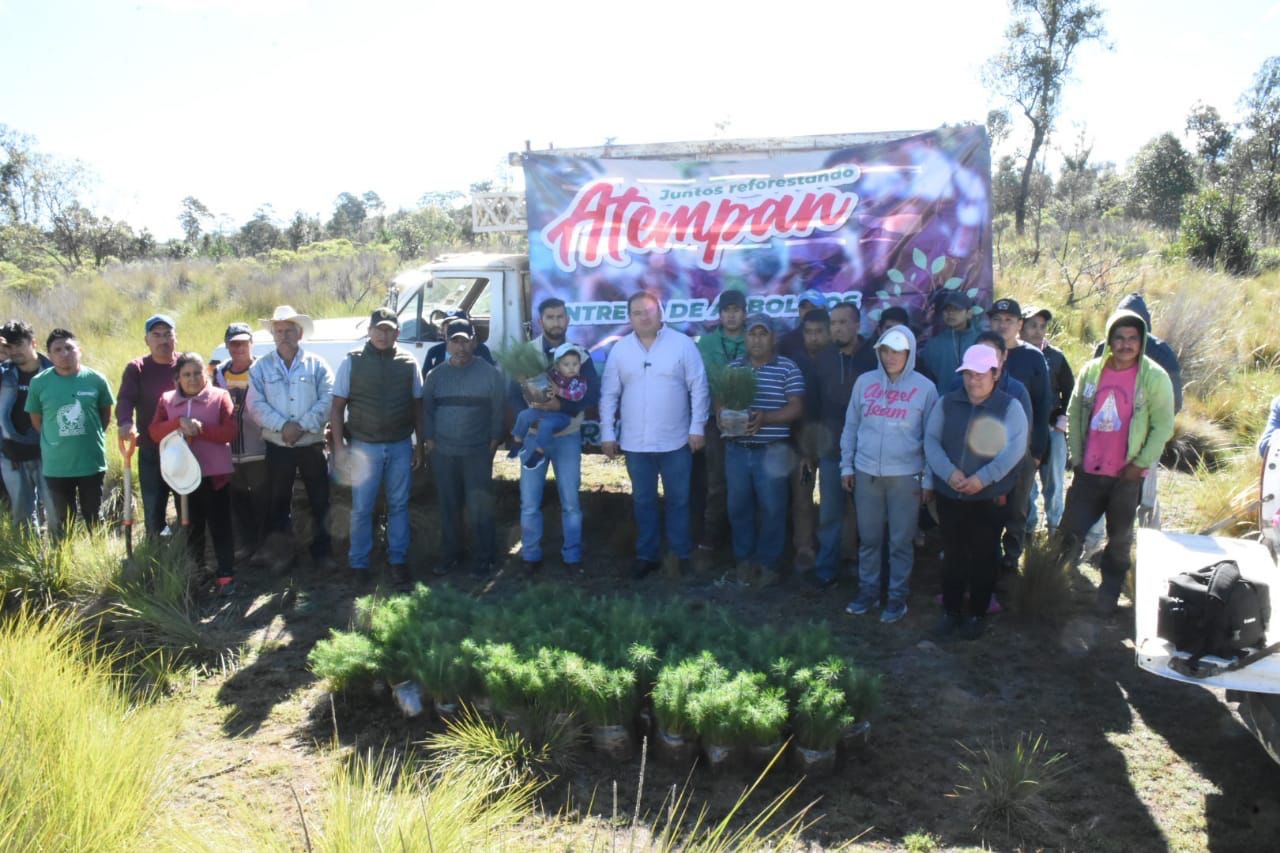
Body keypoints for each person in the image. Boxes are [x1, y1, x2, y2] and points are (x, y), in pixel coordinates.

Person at [1060, 308, 1175, 616]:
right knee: (1069, 531)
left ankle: (1108, 596)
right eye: (1119, 337)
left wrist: (1140, 464)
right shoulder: (1092, 371)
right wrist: (1077, 456)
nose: (1125, 344)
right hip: (1089, 471)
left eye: (1132, 339)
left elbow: (1163, 425)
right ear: (1109, 339)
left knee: (1120, 538)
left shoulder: (1154, 377)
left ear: (1142, 342)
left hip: (1126, 475)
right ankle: (1053, 585)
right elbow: (1074, 413)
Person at [600, 291, 709, 579]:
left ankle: (681, 554)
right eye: (637, 312)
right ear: (630, 318)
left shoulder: (682, 345)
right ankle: (647, 556)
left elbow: (699, 387)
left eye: (649, 310)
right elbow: (609, 394)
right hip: (635, 443)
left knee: (679, 500)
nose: (644, 317)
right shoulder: (621, 350)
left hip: (676, 442)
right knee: (643, 501)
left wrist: (697, 428)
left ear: (660, 312)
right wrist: (608, 433)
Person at [925, 345, 1028, 641]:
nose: (973, 380)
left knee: (984, 556)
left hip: (988, 498)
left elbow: (1014, 450)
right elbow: (932, 441)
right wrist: (949, 473)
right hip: (951, 494)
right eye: (968, 374)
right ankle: (951, 612)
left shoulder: (1010, 407)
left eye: (980, 374)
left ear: (995, 374)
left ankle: (977, 614)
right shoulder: (948, 402)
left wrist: (983, 479)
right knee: (953, 555)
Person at [841, 326, 937, 623]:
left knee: (900, 541)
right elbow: (851, 427)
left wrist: (929, 478)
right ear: (878, 352)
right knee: (869, 539)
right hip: (867, 472)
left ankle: (897, 597)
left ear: (909, 354)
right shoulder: (864, 383)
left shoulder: (925, 388)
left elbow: (932, 438)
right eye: (886, 350)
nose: (891, 357)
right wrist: (847, 465)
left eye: (898, 351)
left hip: (906, 476)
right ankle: (867, 592)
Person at [331, 307, 424, 586]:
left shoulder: (409, 363)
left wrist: (419, 446)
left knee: (399, 505)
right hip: (364, 447)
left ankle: (398, 560)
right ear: (369, 331)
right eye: (378, 329)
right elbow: (336, 409)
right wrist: (339, 448)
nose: (382, 335)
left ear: (397, 332)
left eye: (388, 330)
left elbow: (418, 407)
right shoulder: (352, 362)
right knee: (361, 508)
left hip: (399, 445)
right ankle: (358, 563)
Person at [515, 297, 599, 574]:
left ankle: (572, 557)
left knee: (571, 502)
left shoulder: (580, 355)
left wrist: (561, 406)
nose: (555, 322)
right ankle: (530, 556)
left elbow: (592, 395)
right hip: (533, 436)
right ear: (541, 322)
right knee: (529, 502)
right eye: (549, 317)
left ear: (568, 320)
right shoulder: (525, 353)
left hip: (567, 436)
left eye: (560, 317)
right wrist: (530, 421)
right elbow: (510, 394)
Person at [248, 305, 335, 570]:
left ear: (299, 333)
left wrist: (302, 426)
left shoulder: (317, 364)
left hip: (311, 444)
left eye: (288, 330)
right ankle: (282, 555)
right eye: (279, 331)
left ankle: (323, 554)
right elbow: (255, 405)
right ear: (273, 334)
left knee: (320, 499)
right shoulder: (260, 368)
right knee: (278, 500)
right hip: (278, 445)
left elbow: (328, 398)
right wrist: (283, 426)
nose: (283, 335)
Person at [721, 314, 804, 587]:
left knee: (772, 509)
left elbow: (796, 407)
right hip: (737, 450)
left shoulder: (787, 368)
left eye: (763, 334)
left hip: (772, 452)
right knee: (738, 507)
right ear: (745, 338)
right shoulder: (733, 368)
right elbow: (720, 403)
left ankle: (768, 565)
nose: (757, 339)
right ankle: (744, 562)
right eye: (752, 334)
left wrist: (765, 418)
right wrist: (723, 416)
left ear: (773, 338)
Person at [1090, 293, 1183, 530]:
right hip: (1107, 434)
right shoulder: (1105, 348)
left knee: (1146, 496)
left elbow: (1173, 404)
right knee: (1104, 492)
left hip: (1144, 437)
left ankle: (1150, 545)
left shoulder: (1161, 352)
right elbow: (1092, 391)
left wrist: (1150, 430)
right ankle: (1096, 543)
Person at [421, 318, 505, 576]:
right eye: (454, 341)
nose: (460, 347)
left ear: (474, 342)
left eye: (465, 341)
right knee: (448, 506)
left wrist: (492, 442)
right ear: (446, 343)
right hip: (444, 452)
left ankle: (484, 558)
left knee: (479, 506)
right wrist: (431, 442)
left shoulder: (490, 374)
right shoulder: (436, 376)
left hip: (477, 451)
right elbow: (427, 411)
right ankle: (450, 556)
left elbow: (498, 411)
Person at [149, 352, 238, 594]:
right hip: (182, 478)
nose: (193, 379)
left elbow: (229, 433)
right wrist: (177, 423)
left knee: (220, 525)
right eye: (186, 374)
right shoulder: (166, 400)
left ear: (205, 374)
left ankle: (226, 575)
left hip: (214, 475)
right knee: (191, 526)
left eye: (198, 373)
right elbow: (155, 432)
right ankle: (197, 573)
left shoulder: (220, 397)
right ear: (177, 377)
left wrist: (201, 429)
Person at [809, 300, 878, 587]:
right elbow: (812, 407)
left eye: (842, 322)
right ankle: (826, 571)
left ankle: (867, 575)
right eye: (833, 323)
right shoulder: (823, 359)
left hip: (869, 453)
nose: (836, 328)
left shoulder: (874, 358)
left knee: (868, 519)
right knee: (830, 514)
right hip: (831, 452)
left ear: (857, 324)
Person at [25, 328, 114, 537]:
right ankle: (65, 561)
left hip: (91, 463)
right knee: (64, 520)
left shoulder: (96, 380)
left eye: (69, 348)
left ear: (79, 350)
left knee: (94, 515)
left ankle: (98, 557)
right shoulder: (39, 383)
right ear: (50, 354)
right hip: (57, 466)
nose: (64, 353)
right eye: (57, 349)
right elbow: (37, 420)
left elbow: (105, 416)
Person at [987, 298, 1051, 572]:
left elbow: (1043, 405)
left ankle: (1011, 561)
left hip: (1022, 451)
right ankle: (985, 559)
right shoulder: (981, 353)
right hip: (985, 447)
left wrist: (1037, 451)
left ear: (1019, 325)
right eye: (997, 320)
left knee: (1017, 509)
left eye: (1009, 320)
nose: (1003, 325)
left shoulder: (1033, 357)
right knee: (986, 509)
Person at [693, 289, 747, 551]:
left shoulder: (756, 338)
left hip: (752, 421)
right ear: (720, 314)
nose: (731, 315)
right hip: (715, 421)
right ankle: (712, 537)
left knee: (747, 481)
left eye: (736, 310)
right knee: (716, 480)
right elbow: (697, 381)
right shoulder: (706, 343)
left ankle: (743, 539)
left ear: (744, 313)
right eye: (727, 310)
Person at [116, 314, 178, 537]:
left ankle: (188, 553)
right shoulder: (137, 368)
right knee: (153, 505)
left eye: (168, 334)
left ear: (175, 338)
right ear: (147, 340)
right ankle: (155, 550)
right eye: (157, 335)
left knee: (187, 503)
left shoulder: (186, 364)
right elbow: (125, 400)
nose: (163, 340)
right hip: (152, 447)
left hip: (185, 446)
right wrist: (125, 422)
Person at [212, 322, 269, 559]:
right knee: (238, 500)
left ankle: (266, 547)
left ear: (251, 344)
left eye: (243, 343)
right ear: (226, 345)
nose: (239, 348)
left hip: (259, 447)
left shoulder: (263, 368)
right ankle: (248, 545)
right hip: (229, 451)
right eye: (234, 343)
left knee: (262, 499)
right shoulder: (218, 373)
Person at [1021, 306, 1074, 536]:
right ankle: (1028, 529)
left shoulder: (1056, 356)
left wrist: (1061, 418)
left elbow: (1071, 391)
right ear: (1021, 326)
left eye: (1042, 326)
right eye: (1033, 325)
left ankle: (1055, 531)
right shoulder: (1015, 355)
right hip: (1024, 432)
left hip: (1052, 430)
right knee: (1026, 485)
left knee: (1054, 482)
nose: (1038, 331)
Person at [788, 308, 831, 571]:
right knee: (802, 498)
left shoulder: (838, 360)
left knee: (834, 500)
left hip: (833, 447)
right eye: (808, 332)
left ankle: (841, 551)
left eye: (819, 332)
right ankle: (804, 549)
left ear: (828, 332)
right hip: (800, 446)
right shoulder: (793, 362)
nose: (813, 338)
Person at [0, 320, 53, 529]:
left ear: (34, 342)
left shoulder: (53, 371)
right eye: (8, 346)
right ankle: (29, 558)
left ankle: (60, 557)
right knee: (22, 515)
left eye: (18, 344)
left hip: (48, 453)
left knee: (56, 511)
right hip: (12, 454)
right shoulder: (4, 373)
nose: (14, 351)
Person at [508, 342, 587, 469]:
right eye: (566, 364)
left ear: (580, 365)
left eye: (575, 364)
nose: (571, 368)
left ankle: (539, 453)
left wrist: (559, 391)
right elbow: (539, 382)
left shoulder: (579, 381)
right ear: (557, 366)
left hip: (563, 416)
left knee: (546, 424)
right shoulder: (552, 374)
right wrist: (525, 380)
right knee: (524, 415)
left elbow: (577, 395)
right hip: (543, 409)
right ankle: (518, 441)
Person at [919, 291, 980, 389]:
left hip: (977, 401)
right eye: (947, 309)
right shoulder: (933, 345)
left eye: (956, 309)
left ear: (969, 313)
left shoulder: (981, 342)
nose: (950, 313)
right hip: (944, 401)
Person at [421, 308, 495, 375]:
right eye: (446, 325)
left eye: (455, 324)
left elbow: (490, 376)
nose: (449, 328)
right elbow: (426, 380)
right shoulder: (434, 352)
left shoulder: (481, 350)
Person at [777, 288, 828, 363]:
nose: (808, 311)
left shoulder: (835, 338)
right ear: (799, 310)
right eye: (804, 307)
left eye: (813, 307)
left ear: (824, 310)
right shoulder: (787, 342)